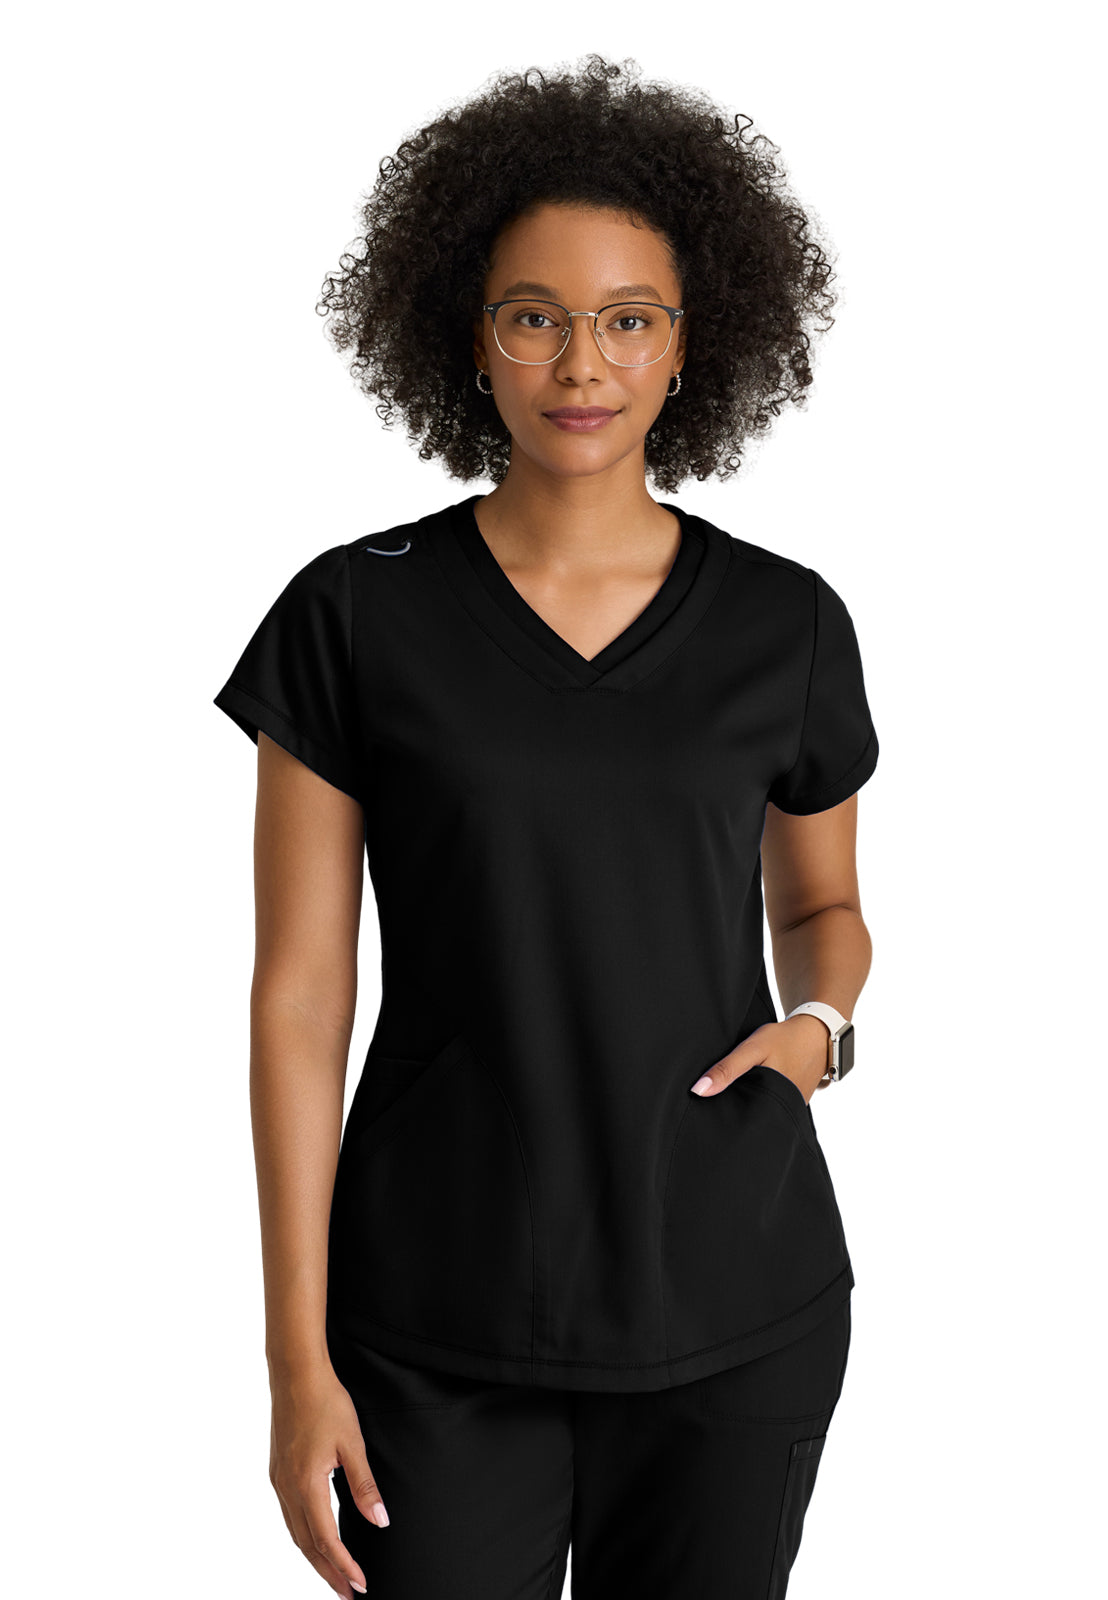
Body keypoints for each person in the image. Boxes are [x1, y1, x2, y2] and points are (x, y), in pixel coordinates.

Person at [213, 54, 879, 1600]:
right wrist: (296, 1360)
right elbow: (300, 999)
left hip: (739, 1304)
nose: (583, 362)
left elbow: (823, 909)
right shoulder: (354, 615)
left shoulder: (785, 625)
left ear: (689, 342)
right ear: (471, 334)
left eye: (629, 318)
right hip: (429, 1323)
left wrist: (822, 1030)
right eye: (535, 315)